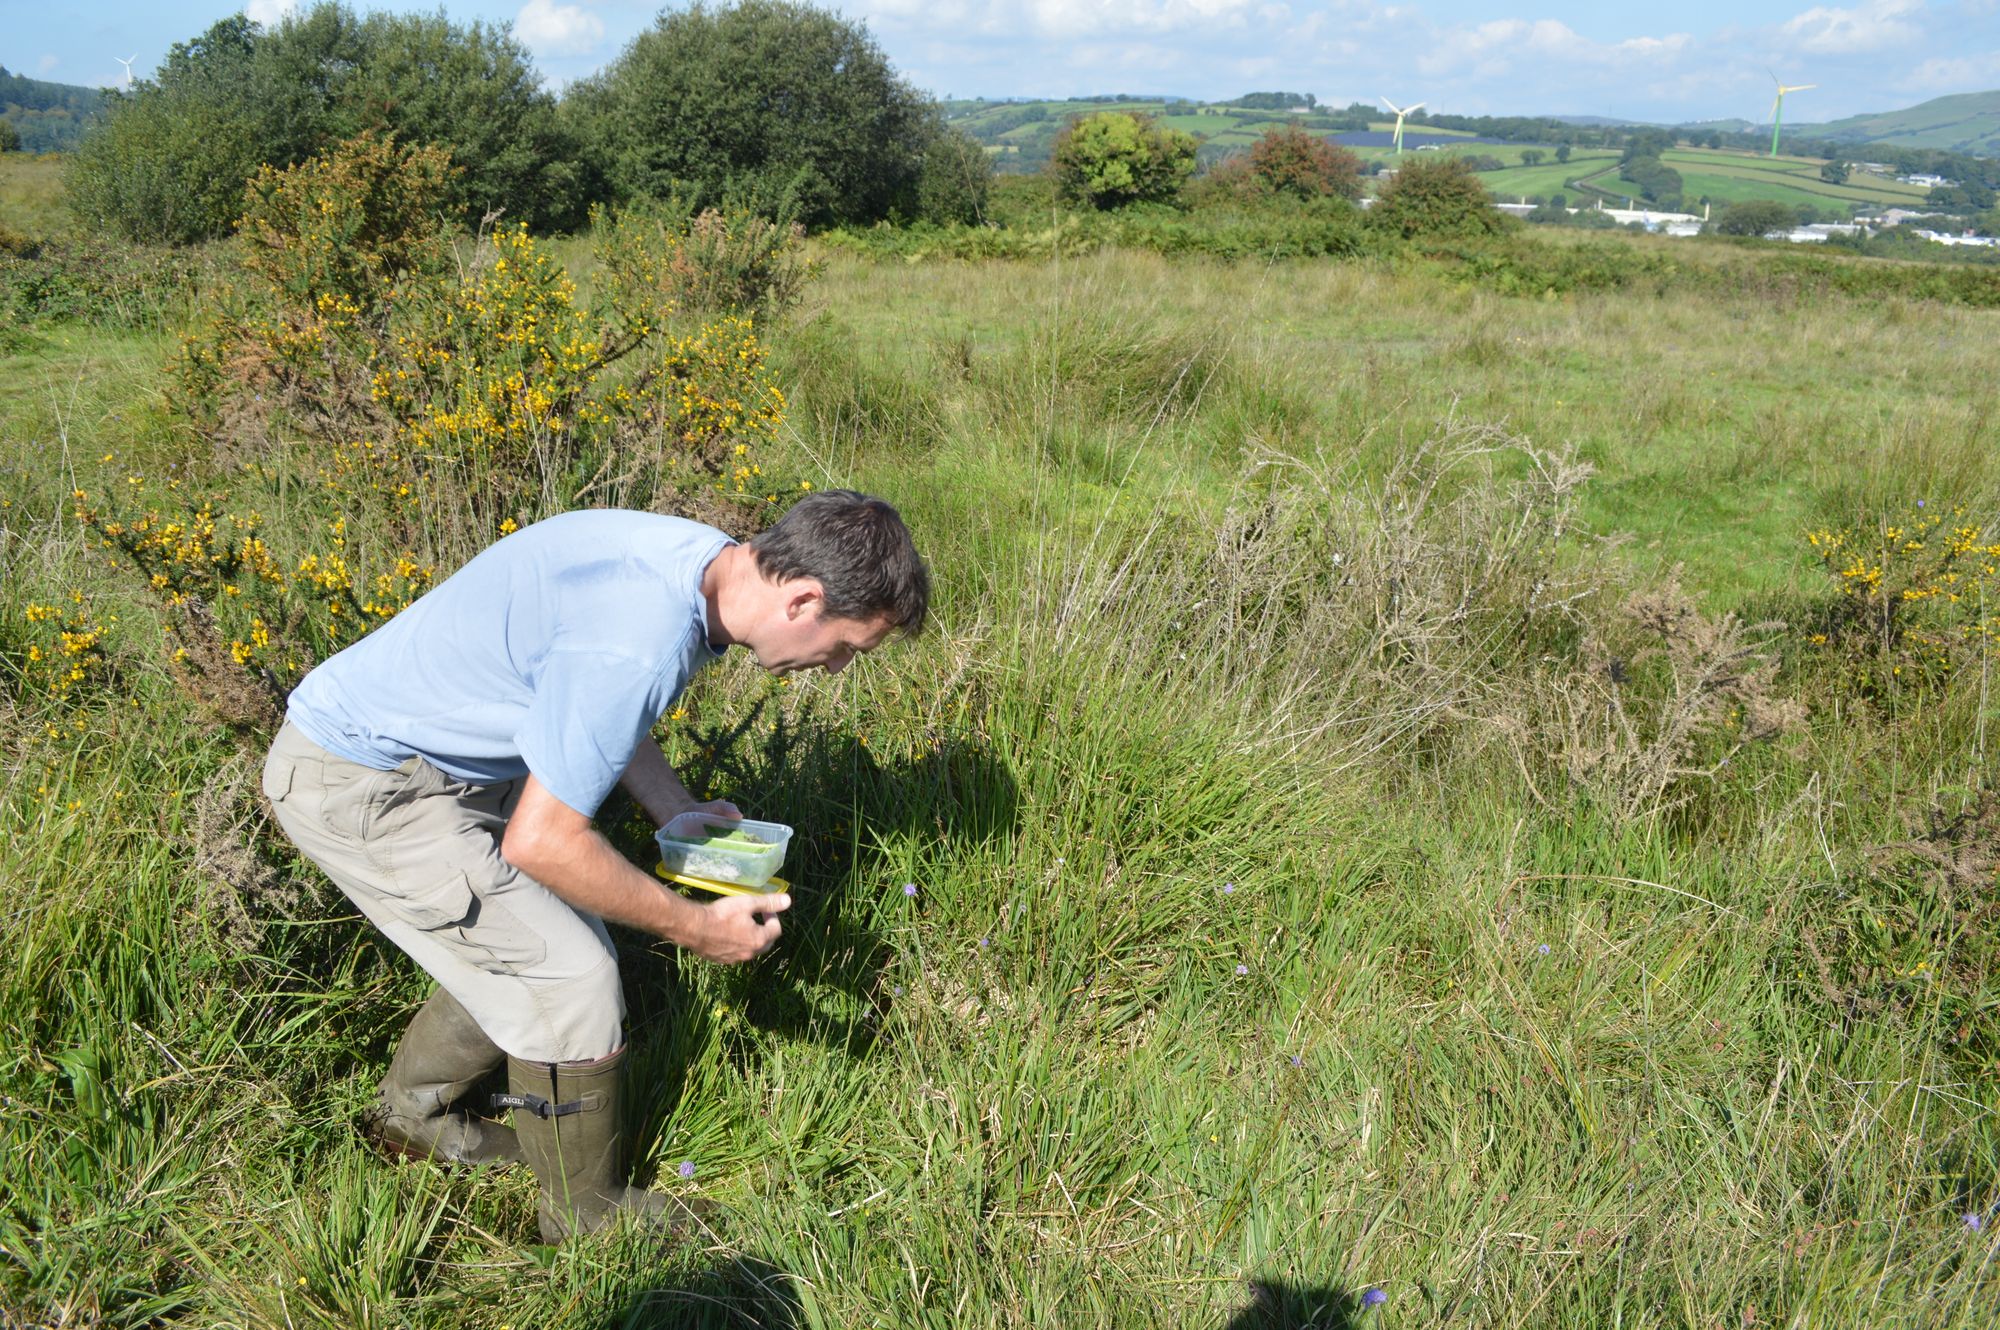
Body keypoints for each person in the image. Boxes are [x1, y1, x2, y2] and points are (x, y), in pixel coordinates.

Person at [260, 492, 928, 1242]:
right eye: (847, 648)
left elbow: (594, 705)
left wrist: (675, 810)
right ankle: (583, 1217)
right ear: (804, 598)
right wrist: (700, 929)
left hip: (429, 756)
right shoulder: (642, 639)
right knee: (571, 977)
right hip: (363, 784)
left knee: (532, 941)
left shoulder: (697, 561)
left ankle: (410, 1119)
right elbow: (542, 841)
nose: (836, 669)